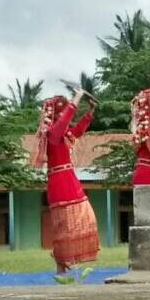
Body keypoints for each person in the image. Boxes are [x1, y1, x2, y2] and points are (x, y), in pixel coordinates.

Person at [32, 89, 99, 274]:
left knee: (84, 219)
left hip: (68, 179)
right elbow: (64, 122)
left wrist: (90, 113)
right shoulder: (52, 135)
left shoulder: (62, 134)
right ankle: (61, 264)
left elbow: (76, 131)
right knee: (65, 225)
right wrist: (76, 98)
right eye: (62, 113)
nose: (65, 116)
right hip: (60, 182)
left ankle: (64, 261)